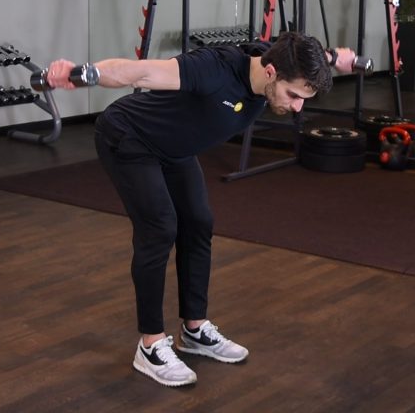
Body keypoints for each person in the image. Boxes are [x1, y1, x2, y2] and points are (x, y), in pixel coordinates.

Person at [45, 32, 358, 387]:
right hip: (130, 136)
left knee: (197, 222)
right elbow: (140, 72)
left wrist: (336, 59)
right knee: (160, 228)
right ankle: (150, 345)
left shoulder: (277, 58)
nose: (298, 107)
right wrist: (82, 73)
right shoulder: (213, 69)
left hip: (175, 147)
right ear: (271, 73)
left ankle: (194, 330)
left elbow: (305, 50)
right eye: (294, 95)